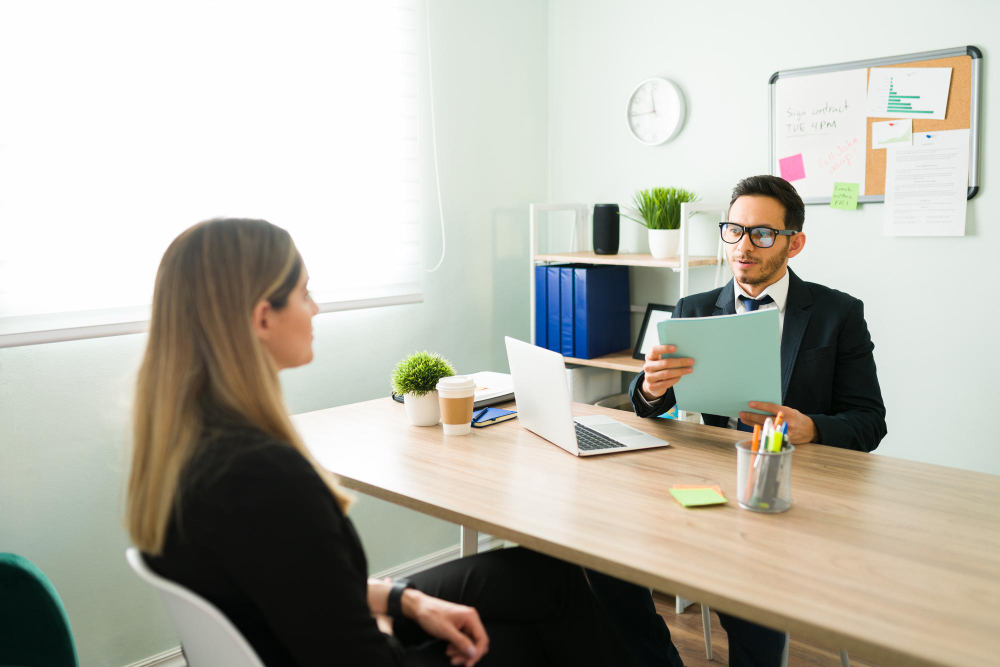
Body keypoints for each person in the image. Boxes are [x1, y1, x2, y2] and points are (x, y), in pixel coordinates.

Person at [126, 218, 637, 667]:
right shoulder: (264, 477)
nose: (316, 308)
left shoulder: (186, 440)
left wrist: (407, 601)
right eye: (304, 293)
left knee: (540, 577)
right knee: (520, 639)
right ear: (263, 317)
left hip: (292, 633)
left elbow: (299, 590)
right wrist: (391, 617)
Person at [590, 175, 888, 667]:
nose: (743, 246)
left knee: (751, 607)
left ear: (795, 243)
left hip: (786, 494)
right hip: (704, 484)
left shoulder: (838, 314)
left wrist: (811, 427)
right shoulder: (693, 310)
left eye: (762, 234)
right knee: (603, 560)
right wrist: (651, 387)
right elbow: (651, 406)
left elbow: (868, 421)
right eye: (734, 230)